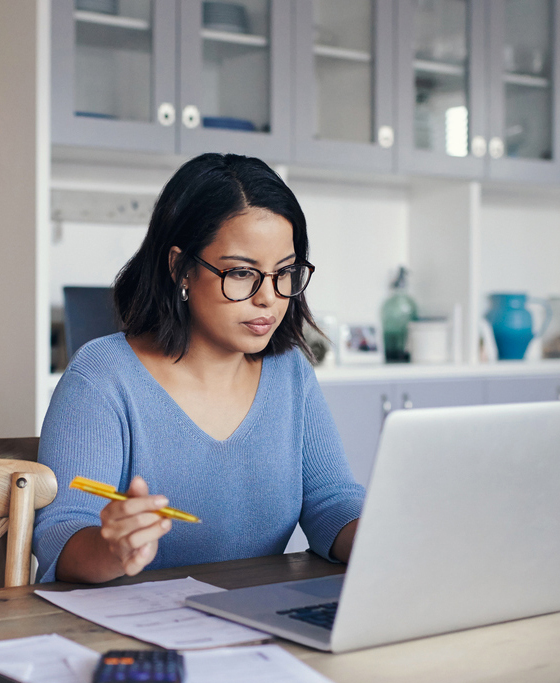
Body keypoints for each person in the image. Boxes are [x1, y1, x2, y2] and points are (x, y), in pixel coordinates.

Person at [34, 153, 364, 584]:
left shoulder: (290, 373)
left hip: (253, 623)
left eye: (285, 272)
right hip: (129, 636)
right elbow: (61, 536)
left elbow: (330, 502)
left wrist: (389, 538)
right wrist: (111, 548)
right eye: (243, 273)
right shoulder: (103, 377)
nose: (269, 297)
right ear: (181, 268)